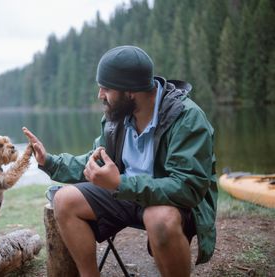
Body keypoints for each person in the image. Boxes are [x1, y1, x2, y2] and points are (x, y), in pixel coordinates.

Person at [23, 45, 217, 277]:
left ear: (130, 91)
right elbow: (94, 160)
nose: (100, 95)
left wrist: (119, 184)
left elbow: (188, 187)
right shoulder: (117, 117)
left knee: (159, 219)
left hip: (170, 202)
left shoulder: (186, 118)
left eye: (106, 88)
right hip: (126, 193)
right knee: (64, 199)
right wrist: (50, 162)